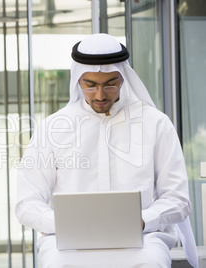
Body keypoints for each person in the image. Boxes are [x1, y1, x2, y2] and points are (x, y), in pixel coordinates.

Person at [15, 33, 198, 268]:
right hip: (66, 243)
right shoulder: (52, 128)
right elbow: (26, 203)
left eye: (110, 84)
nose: (100, 95)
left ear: (123, 78)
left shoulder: (155, 123)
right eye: (90, 86)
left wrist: (142, 220)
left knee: (151, 262)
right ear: (78, 80)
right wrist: (63, 223)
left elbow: (178, 199)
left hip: (143, 240)